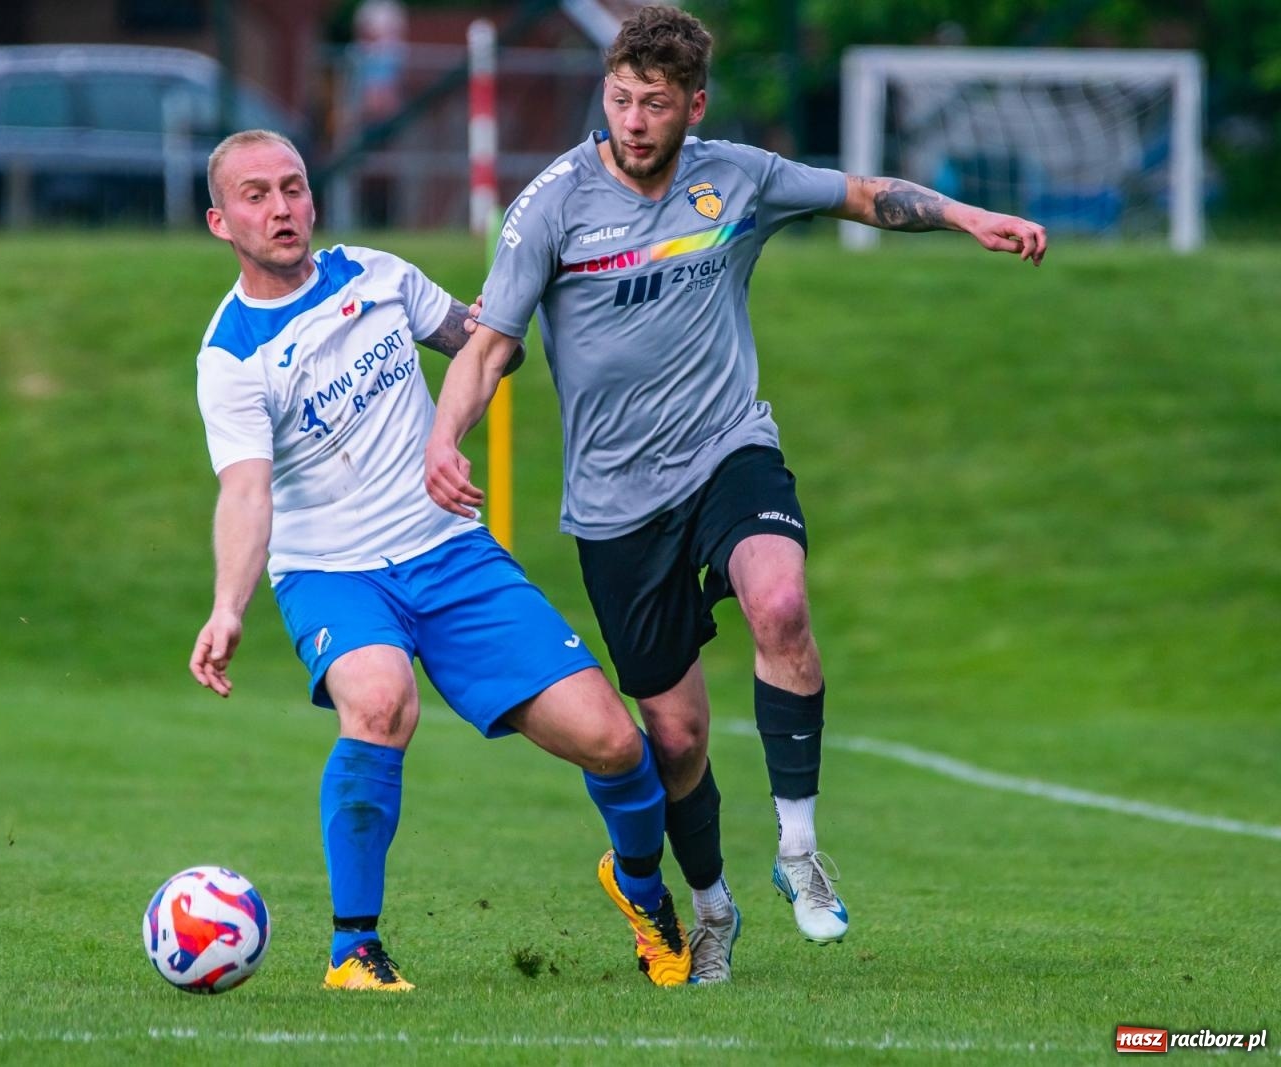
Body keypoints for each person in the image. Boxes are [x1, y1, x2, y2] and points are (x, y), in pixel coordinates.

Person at [424, 5, 1047, 984]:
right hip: (615, 505)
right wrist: (441, 433)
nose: (633, 120)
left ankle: (799, 849)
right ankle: (710, 904)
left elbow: (859, 192)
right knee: (672, 736)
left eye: (655, 104)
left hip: (726, 452)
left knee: (781, 599)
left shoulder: (737, 176)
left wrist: (969, 216)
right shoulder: (549, 206)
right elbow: (491, 345)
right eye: (622, 98)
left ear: (692, 106)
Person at [187, 129, 693, 991]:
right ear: (220, 220)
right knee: (381, 701)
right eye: (257, 195)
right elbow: (245, 492)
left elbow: (486, 342)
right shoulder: (231, 356)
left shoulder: (379, 276)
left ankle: (642, 891)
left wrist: (510, 336)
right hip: (334, 575)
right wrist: (229, 604)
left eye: (293, 188)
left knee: (613, 742)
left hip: (451, 555)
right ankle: (354, 951)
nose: (281, 209)